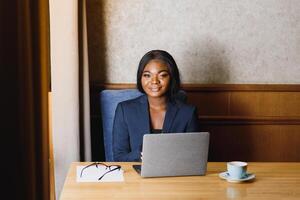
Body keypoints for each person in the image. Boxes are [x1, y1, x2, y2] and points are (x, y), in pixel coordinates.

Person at [112, 50, 199, 161]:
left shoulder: (188, 113)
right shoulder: (124, 110)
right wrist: (141, 153)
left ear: (172, 78)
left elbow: (194, 157)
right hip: (136, 174)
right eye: (147, 75)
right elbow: (119, 158)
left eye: (162, 75)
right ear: (140, 78)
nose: (154, 81)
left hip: (174, 175)